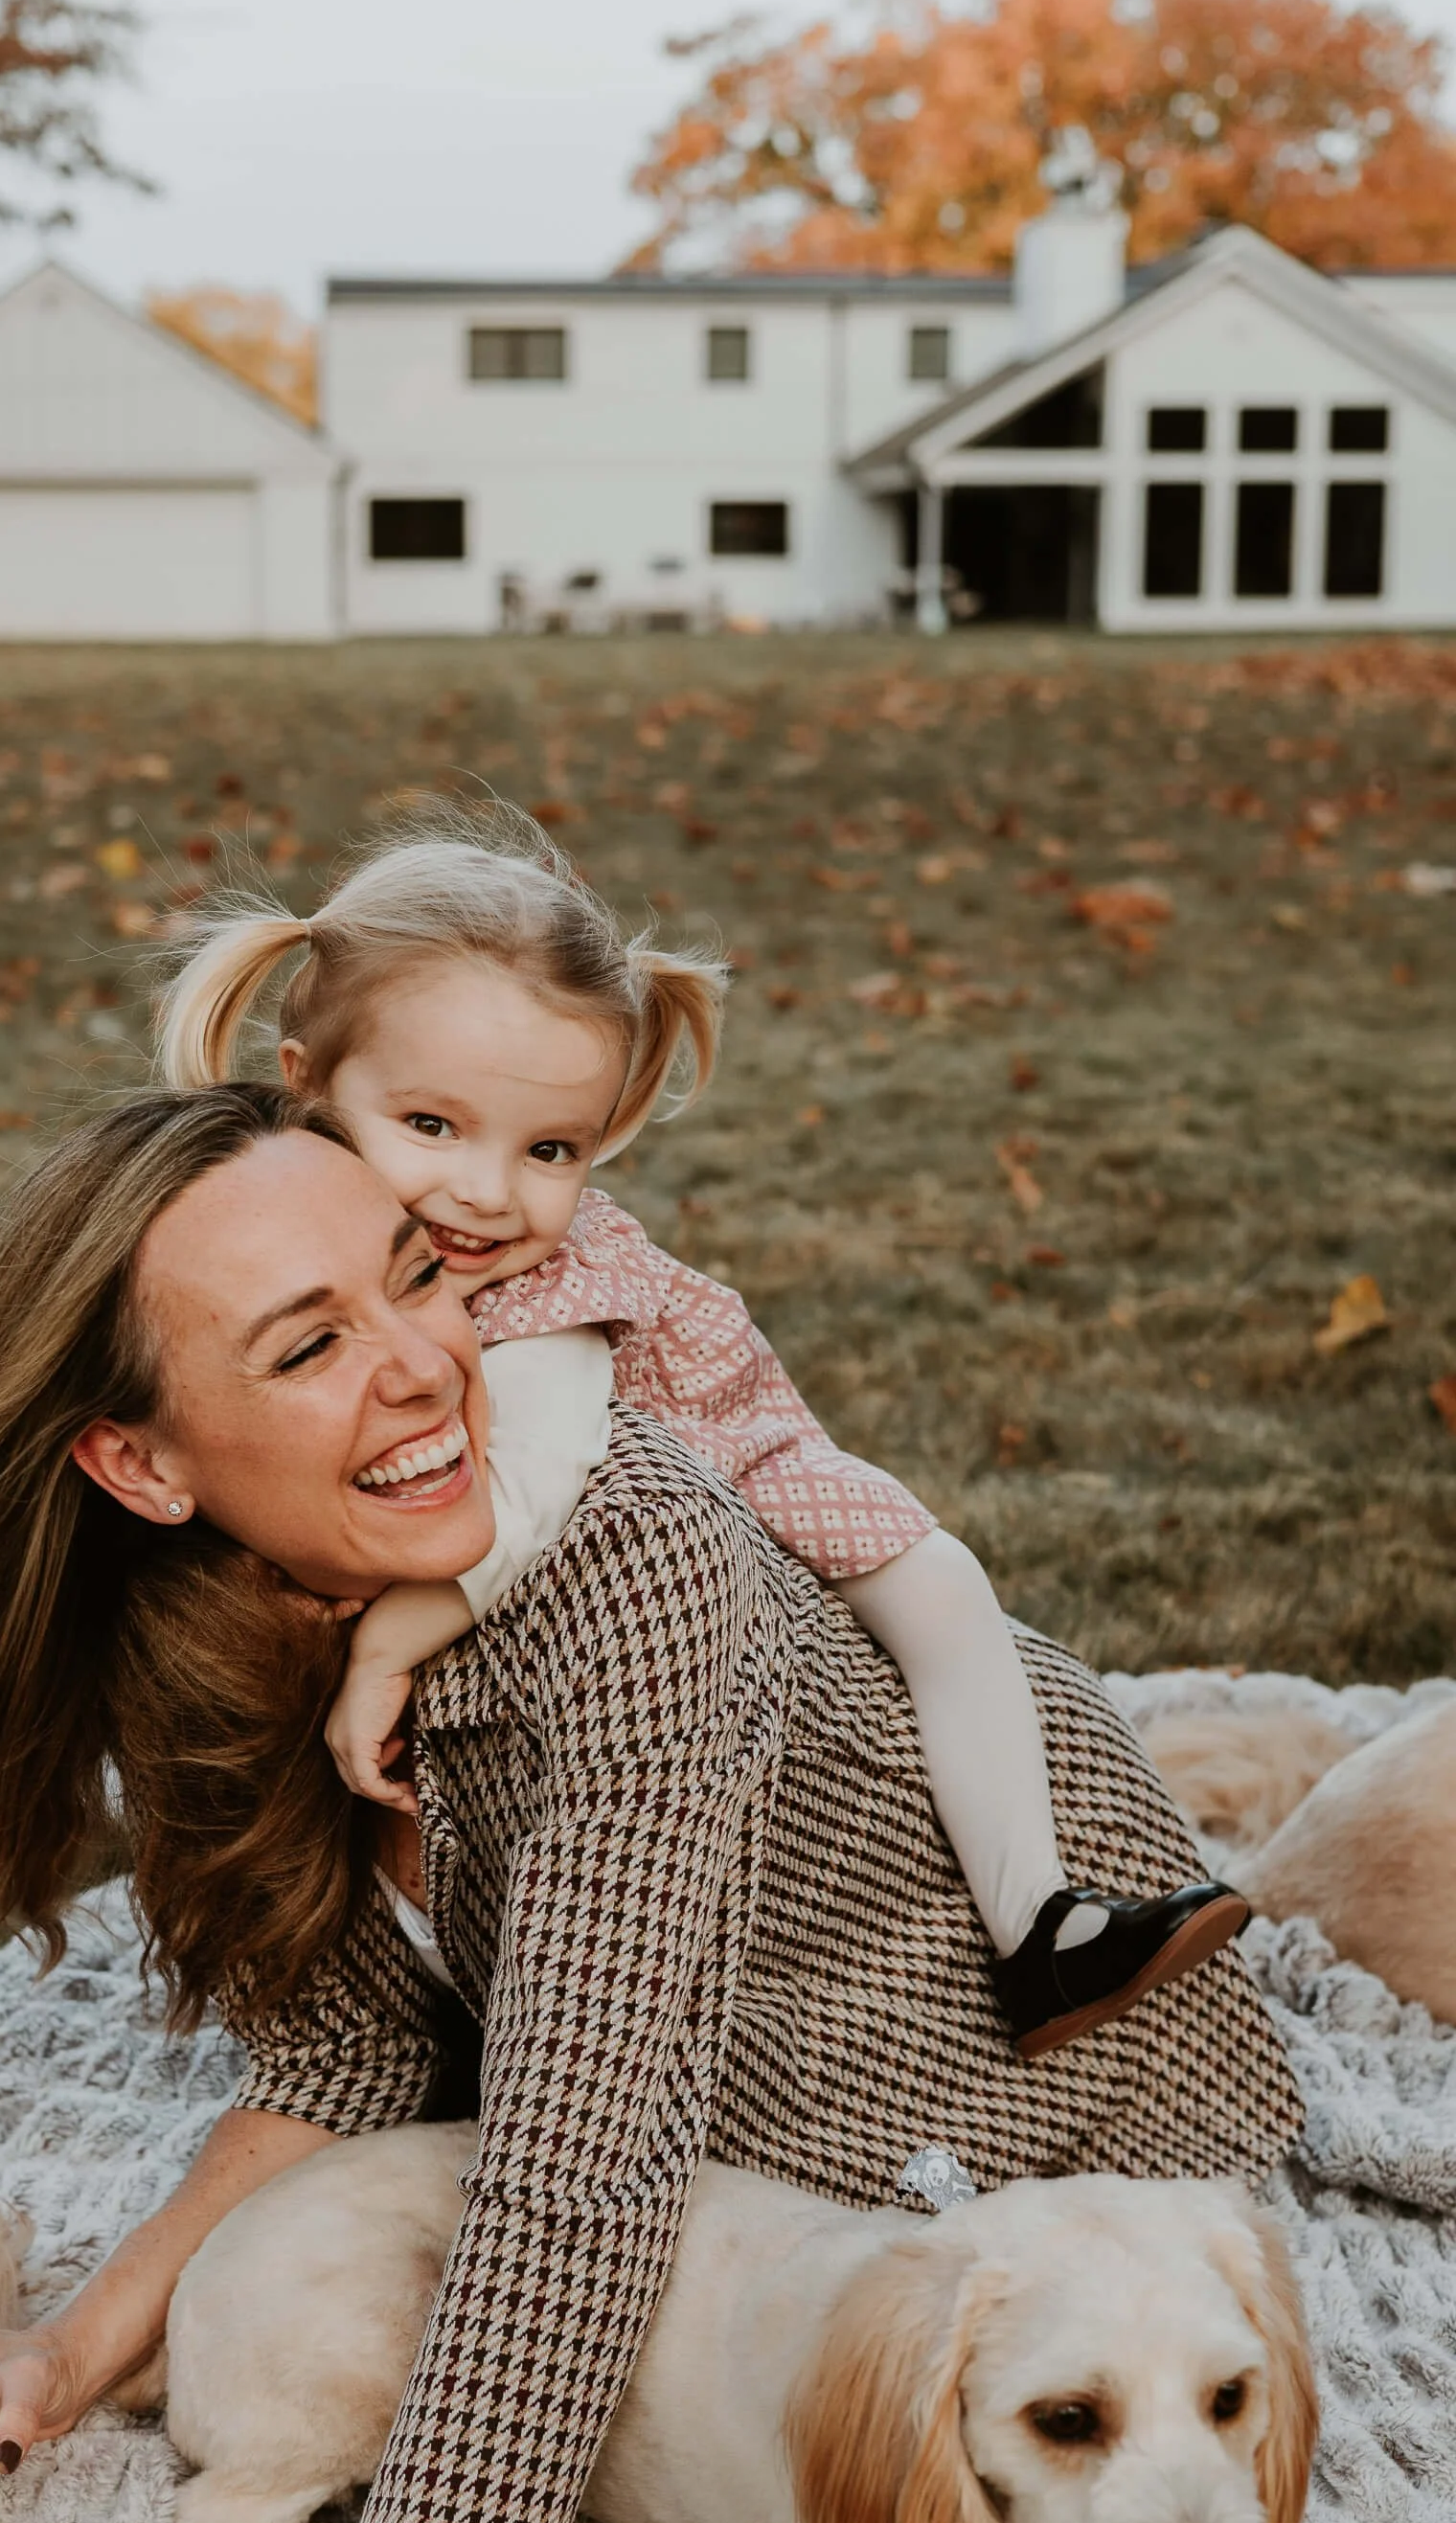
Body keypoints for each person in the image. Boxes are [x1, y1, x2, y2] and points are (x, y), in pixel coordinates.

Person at [0, 1081, 1301, 2523]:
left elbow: (582, 2167)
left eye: (420, 1276)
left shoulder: (631, 1575)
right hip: (712, 2056)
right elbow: (354, 2051)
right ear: (145, 1465)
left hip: (1010, 2089)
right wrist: (55, 2357)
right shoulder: (236, 1617)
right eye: (307, 1345)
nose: (423, 1364)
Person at [153, 803, 1244, 2058]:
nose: (488, 1191)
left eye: (550, 1147)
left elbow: (547, 1479)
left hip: (738, 1493)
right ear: (307, 1086)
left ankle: (1039, 1925)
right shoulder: (308, 1230)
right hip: (544, 1568)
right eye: (432, 1126)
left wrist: (394, 1639)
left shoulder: (552, 1295)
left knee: (943, 1595)